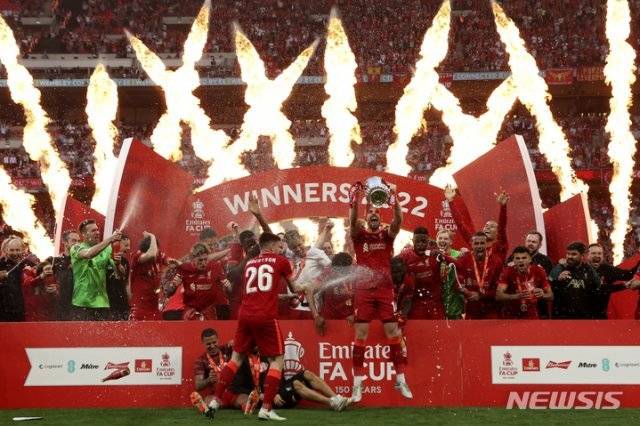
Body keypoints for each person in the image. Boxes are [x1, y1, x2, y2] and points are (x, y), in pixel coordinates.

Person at [207, 232, 299, 421]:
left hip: (245, 314)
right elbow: (295, 288)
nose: (281, 249)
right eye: (279, 246)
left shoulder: (250, 263)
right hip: (265, 316)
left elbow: (260, 291)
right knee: (277, 360)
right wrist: (307, 287)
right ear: (271, 246)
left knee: (235, 358)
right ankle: (266, 409)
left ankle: (215, 401)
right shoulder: (281, 261)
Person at [348, 182, 412, 402]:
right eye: (370, 213)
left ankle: (401, 379)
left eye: (377, 212)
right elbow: (352, 221)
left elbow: (399, 220)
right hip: (364, 291)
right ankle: (357, 385)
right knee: (361, 335)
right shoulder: (359, 236)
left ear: (380, 218)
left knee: (393, 332)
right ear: (366, 218)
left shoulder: (386, 236)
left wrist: (394, 197)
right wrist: (354, 200)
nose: (374, 214)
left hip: (385, 290)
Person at [191, 328, 255, 416]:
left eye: (214, 342)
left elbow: (244, 347)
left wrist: (236, 343)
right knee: (208, 400)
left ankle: (247, 407)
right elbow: (198, 386)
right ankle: (205, 408)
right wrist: (208, 380)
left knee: (245, 399)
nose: (212, 346)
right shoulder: (201, 360)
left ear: (218, 340)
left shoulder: (227, 349)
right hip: (217, 395)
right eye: (208, 344)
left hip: (234, 392)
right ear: (203, 343)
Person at [69, 220, 122, 321]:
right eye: (93, 230)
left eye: (97, 230)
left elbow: (120, 274)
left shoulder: (107, 249)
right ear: (84, 234)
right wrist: (110, 239)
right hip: (82, 303)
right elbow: (88, 254)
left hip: (102, 303)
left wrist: (118, 264)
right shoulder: (76, 248)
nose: (97, 232)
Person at [163, 243, 229, 320]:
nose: (203, 263)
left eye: (205, 259)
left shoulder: (211, 268)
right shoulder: (186, 270)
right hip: (185, 313)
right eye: (200, 260)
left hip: (171, 311)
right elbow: (170, 291)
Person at [445, 186, 509, 262]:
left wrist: (503, 207)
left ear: (497, 232)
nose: (487, 228)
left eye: (492, 226)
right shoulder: (475, 243)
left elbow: (502, 226)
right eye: (486, 226)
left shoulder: (501, 244)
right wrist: (450, 201)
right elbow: (460, 224)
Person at [398, 227, 449, 319]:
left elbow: (448, 275)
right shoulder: (404, 256)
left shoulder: (436, 255)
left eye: (423, 241)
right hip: (415, 304)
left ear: (428, 241)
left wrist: (443, 258)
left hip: (435, 303)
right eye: (417, 242)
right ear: (413, 241)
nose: (420, 244)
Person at [454, 232, 504, 319]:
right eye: (476, 243)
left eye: (482, 243)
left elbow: (499, 288)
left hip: (491, 309)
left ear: (486, 244)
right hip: (471, 308)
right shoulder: (463, 260)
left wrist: (481, 295)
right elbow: (457, 282)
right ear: (471, 244)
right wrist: (466, 292)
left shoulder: (496, 261)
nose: (479, 246)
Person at [496, 246, 553, 319]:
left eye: (524, 258)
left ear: (530, 259)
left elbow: (551, 296)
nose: (521, 261)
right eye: (517, 258)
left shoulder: (539, 271)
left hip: (532, 314)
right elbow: (498, 296)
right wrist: (516, 296)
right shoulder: (507, 272)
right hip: (511, 315)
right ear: (513, 260)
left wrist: (542, 295)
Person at [306, 252, 355, 335]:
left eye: (344, 271)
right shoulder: (328, 273)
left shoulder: (357, 273)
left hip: (351, 321)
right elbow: (309, 292)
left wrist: (356, 315)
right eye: (338, 270)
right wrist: (316, 316)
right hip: (329, 321)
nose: (340, 274)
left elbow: (365, 297)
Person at [549, 241, 601, 319]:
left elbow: (597, 290)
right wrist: (558, 280)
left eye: (574, 254)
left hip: (584, 317)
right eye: (568, 254)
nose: (570, 256)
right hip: (562, 317)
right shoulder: (558, 269)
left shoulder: (589, 270)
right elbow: (548, 291)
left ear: (582, 255)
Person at [586, 243, 635, 319]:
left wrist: (638, 261)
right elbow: (598, 289)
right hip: (582, 315)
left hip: (601, 315)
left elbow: (628, 275)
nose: (597, 255)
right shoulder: (581, 269)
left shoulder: (607, 269)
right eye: (593, 253)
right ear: (586, 255)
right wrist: (623, 286)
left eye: (599, 253)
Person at [130, 232, 168, 321]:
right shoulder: (138, 257)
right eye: (155, 248)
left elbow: (175, 263)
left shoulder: (158, 258)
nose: (157, 252)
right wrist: (152, 236)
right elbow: (151, 254)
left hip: (154, 308)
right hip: (140, 308)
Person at [0, 237, 34, 321]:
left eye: (17, 250)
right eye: (11, 250)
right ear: (5, 250)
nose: (15, 253)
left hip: (23, 310)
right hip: (3, 312)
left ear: (23, 250)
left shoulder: (29, 264)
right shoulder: (1, 264)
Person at [435, 229, 464, 319]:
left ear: (451, 242)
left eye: (446, 239)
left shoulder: (459, 255)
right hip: (438, 297)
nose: (442, 240)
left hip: (454, 297)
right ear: (436, 240)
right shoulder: (433, 255)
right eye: (440, 238)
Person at [55, 230, 79, 320]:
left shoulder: (83, 260)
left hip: (77, 305)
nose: (77, 244)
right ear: (65, 242)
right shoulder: (55, 261)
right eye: (74, 240)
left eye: (79, 241)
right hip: (60, 306)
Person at [106, 234, 131, 320]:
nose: (128, 248)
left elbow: (126, 281)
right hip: (108, 302)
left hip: (122, 302)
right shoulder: (106, 259)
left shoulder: (125, 262)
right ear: (116, 244)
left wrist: (128, 301)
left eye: (129, 245)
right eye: (126, 245)